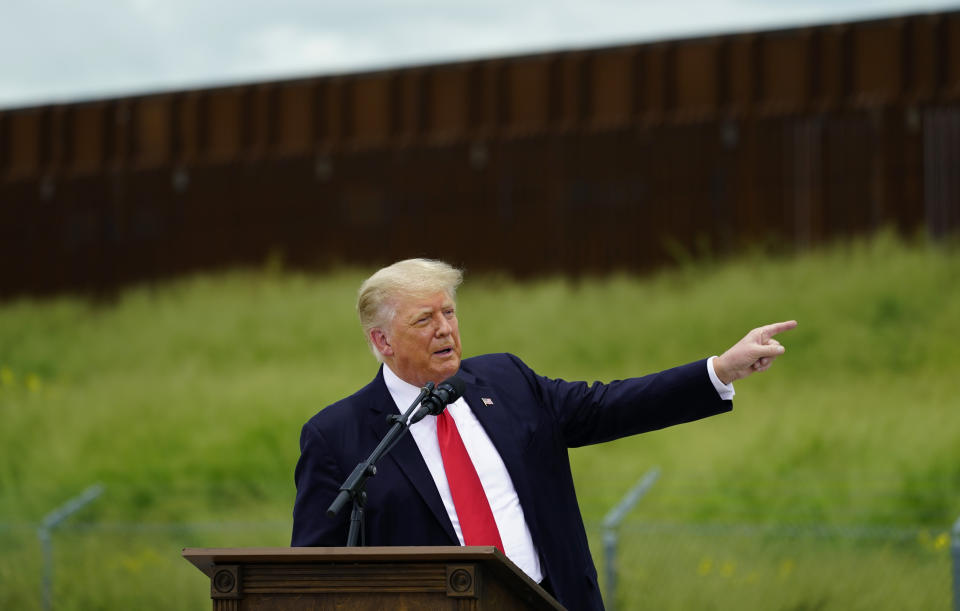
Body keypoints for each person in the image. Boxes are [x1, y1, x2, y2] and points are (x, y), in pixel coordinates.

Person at [291, 258, 796, 610]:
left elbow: (606, 406)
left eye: (449, 312)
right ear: (381, 341)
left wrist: (719, 371)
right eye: (425, 320)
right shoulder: (337, 437)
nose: (445, 329)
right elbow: (310, 579)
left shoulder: (506, 380)